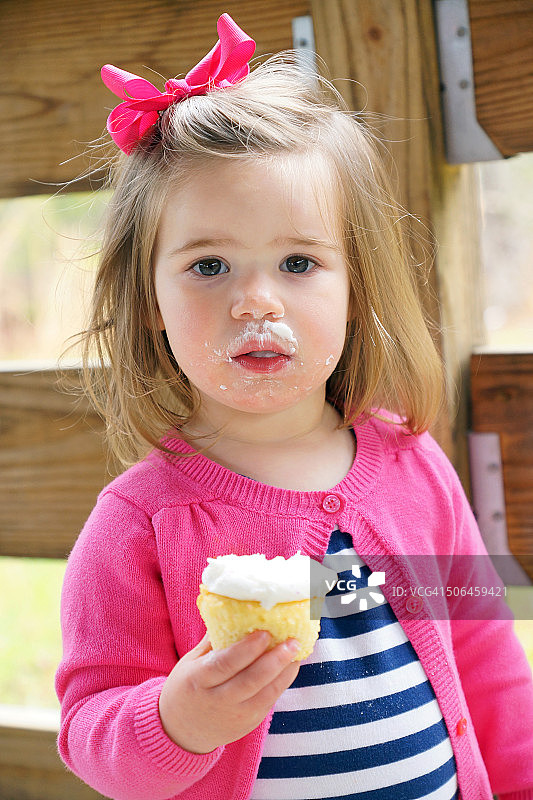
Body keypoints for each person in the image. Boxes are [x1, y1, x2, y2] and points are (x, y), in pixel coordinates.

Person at [55, 12, 533, 800]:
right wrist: (178, 719)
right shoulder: (140, 523)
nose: (255, 301)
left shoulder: (413, 469)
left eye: (298, 261)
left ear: (354, 287)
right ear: (148, 300)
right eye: (209, 264)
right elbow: (90, 733)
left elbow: (486, 665)